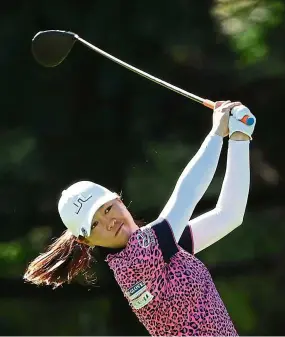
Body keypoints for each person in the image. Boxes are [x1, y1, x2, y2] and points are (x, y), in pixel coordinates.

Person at [24, 100, 256, 336]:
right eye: (94, 225)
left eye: (106, 209)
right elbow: (187, 194)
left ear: (118, 199)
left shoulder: (163, 248)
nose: (109, 222)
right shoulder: (136, 260)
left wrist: (239, 138)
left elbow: (229, 215)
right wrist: (217, 133)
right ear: (86, 241)